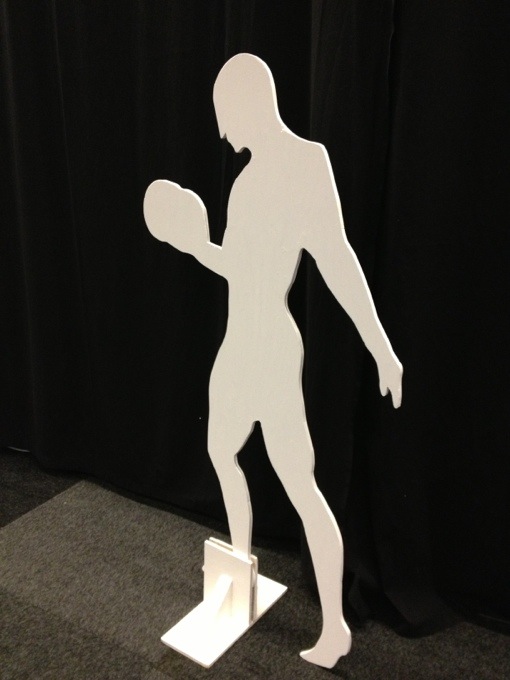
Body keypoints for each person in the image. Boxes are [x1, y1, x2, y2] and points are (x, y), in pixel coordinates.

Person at [144, 53, 402, 669]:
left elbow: (336, 257)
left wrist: (380, 347)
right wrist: (195, 246)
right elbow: (239, 268)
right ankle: (240, 574)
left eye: (225, 119)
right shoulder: (244, 182)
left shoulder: (307, 162)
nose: (223, 135)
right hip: (239, 345)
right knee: (220, 451)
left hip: (274, 349)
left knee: (300, 485)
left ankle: (334, 626)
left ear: (249, 104)